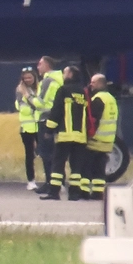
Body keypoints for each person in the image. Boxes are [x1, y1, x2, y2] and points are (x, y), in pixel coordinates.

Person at [42, 65, 89, 201]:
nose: (63, 75)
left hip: (65, 135)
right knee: (76, 166)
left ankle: (54, 192)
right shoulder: (83, 92)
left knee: (58, 163)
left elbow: (56, 111)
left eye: (64, 73)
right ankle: (74, 194)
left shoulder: (63, 90)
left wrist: (49, 130)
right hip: (80, 136)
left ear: (70, 75)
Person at [28, 56, 64, 193]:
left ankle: (51, 183)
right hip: (52, 119)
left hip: (45, 120)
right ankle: (54, 183)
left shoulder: (48, 81)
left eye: (40, 64)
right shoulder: (56, 79)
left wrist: (28, 95)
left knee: (46, 153)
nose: (38, 67)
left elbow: (41, 103)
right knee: (51, 153)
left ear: (47, 65)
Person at [85, 74, 119, 200]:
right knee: (100, 169)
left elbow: (93, 120)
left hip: (96, 140)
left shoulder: (98, 99)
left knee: (87, 167)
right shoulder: (111, 98)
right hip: (108, 141)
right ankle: (98, 193)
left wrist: (87, 135)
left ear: (100, 84)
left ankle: (84, 191)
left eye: (93, 82)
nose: (91, 84)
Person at [15, 66, 41, 190]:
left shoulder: (41, 88)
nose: (27, 80)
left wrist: (30, 98)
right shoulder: (20, 90)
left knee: (47, 154)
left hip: (41, 125)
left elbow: (40, 106)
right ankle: (31, 181)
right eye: (25, 78)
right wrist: (28, 97)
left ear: (34, 77)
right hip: (27, 127)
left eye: (30, 77)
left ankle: (55, 181)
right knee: (29, 155)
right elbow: (22, 107)